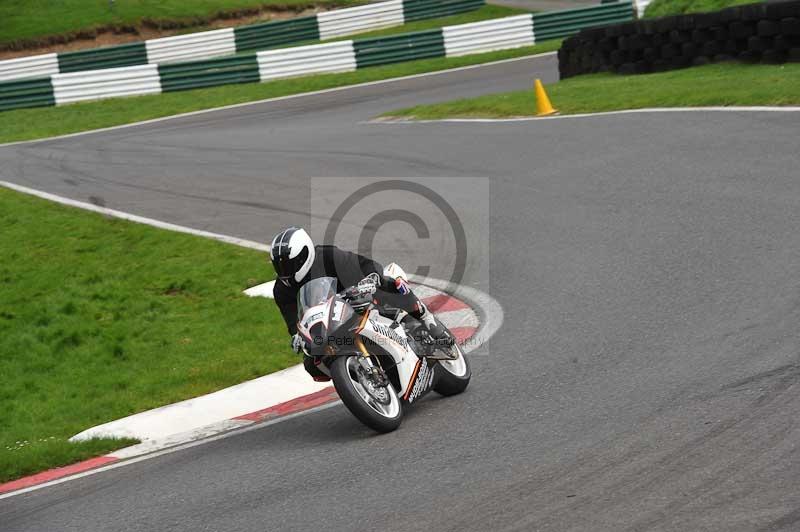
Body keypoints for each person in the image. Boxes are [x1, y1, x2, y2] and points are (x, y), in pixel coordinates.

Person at [269, 226, 453, 380]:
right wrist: (296, 336)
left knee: (388, 285)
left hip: (358, 298)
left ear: (304, 255)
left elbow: (364, 264)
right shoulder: (281, 289)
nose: (285, 271)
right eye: (280, 266)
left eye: (289, 264)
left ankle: (426, 318)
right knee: (312, 364)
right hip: (329, 322)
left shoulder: (327, 256)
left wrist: (371, 278)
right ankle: (358, 377)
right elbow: (293, 320)